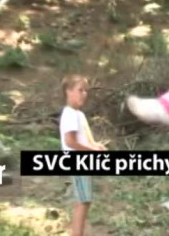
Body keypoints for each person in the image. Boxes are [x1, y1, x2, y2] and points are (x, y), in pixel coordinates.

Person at [59, 75, 106, 236]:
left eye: (86, 90)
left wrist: (95, 145)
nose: (84, 94)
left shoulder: (79, 114)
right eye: (80, 90)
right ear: (68, 91)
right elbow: (70, 142)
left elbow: (86, 138)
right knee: (83, 201)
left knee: (84, 200)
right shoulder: (70, 114)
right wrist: (91, 150)